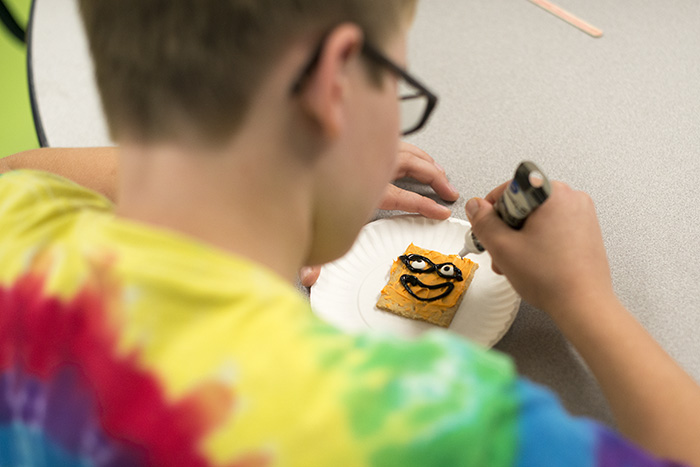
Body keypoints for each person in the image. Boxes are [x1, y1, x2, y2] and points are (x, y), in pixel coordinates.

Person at [0, 0, 699, 465]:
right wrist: (587, 299)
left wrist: (255, 167)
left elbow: (17, 168)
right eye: (397, 82)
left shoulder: (17, 228)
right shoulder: (435, 423)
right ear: (334, 86)